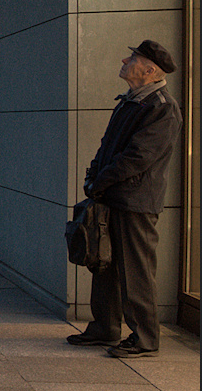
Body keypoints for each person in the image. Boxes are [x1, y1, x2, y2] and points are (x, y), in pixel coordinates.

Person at [68, 40, 181, 359]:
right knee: (103, 264)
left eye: (133, 57)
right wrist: (93, 176)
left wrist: (100, 181)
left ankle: (145, 338)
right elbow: (107, 148)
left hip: (136, 202)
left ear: (149, 70)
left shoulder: (162, 107)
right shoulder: (131, 101)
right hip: (113, 196)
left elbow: (138, 157)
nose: (124, 59)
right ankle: (105, 327)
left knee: (136, 269)